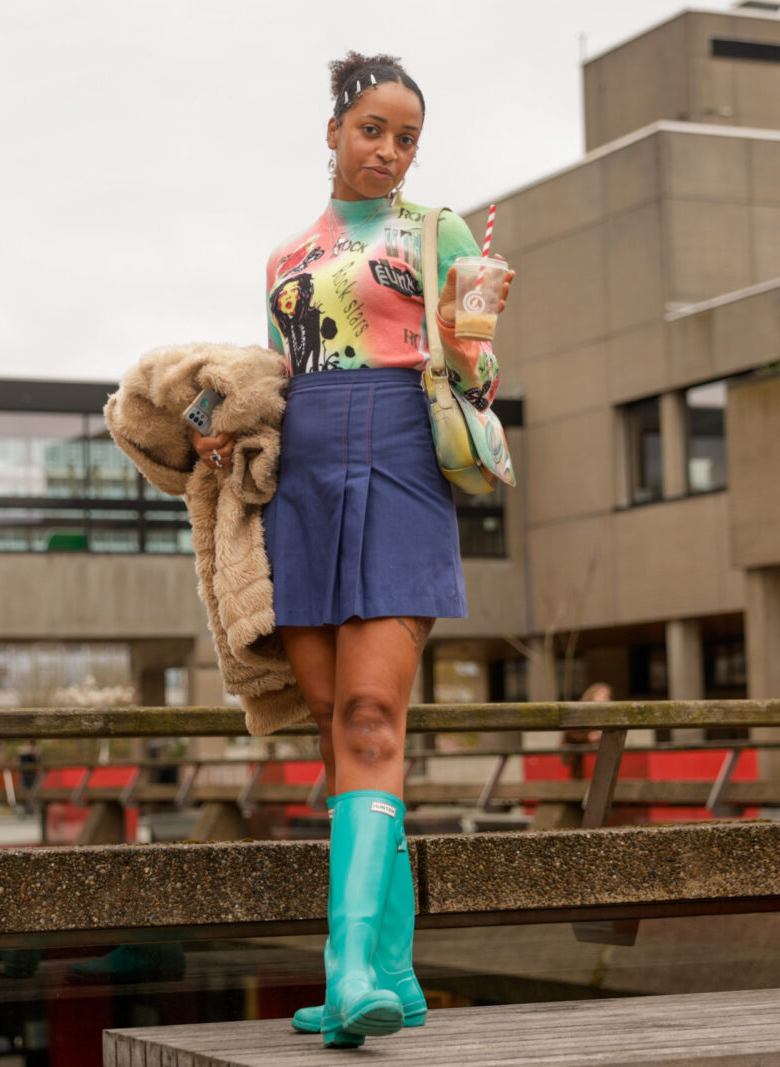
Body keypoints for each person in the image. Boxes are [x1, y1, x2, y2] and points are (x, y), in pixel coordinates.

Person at [190, 52, 513, 1049]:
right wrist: (217, 420)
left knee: (373, 710)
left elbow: (481, 373)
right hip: (304, 479)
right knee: (335, 725)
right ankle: (399, 974)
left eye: (407, 136)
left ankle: (351, 971)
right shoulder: (282, 254)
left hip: (404, 462)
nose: (389, 151)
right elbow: (281, 371)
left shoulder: (435, 231)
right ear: (333, 130)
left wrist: (469, 329)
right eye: (373, 128)